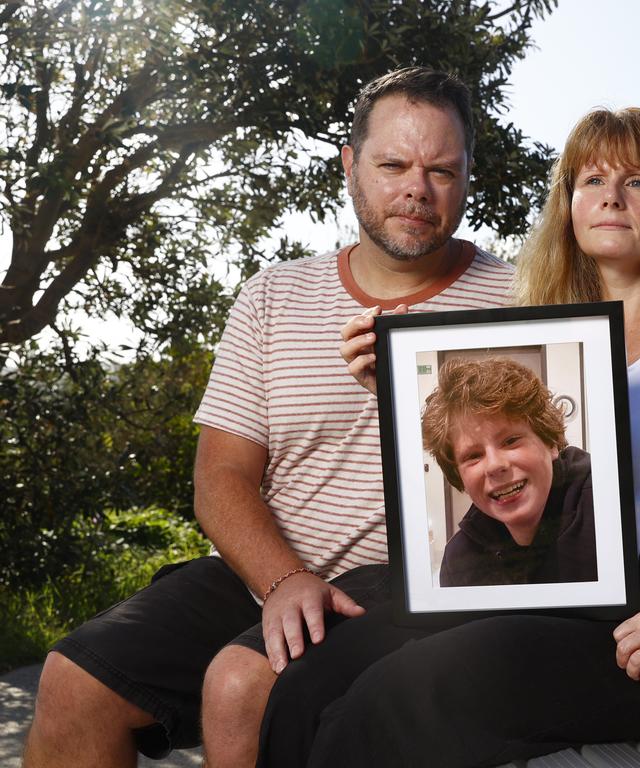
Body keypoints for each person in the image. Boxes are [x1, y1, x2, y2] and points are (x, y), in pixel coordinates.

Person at [256, 106, 640, 767]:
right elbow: (473, 445)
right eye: (591, 180)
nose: (610, 197)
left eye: (637, 181)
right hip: (541, 595)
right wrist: (392, 386)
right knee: (310, 683)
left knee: (400, 696)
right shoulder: (540, 324)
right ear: (568, 201)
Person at [22, 66, 514, 768]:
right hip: (261, 572)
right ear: (350, 166)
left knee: (249, 688)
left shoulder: (523, 299)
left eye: (442, 169)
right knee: (72, 683)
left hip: (410, 589)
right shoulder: (272, 297)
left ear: (468, 175)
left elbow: (536, 467)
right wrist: (282, 580)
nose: (417, 188)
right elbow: (221, 476)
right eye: (393, 164)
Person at [421, 356, 597, 587]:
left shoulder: (608, 503)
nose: (495, 465)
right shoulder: (459, 561)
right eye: (473, 456)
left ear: (551, 443)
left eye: (511, 441)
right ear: (459, 476)